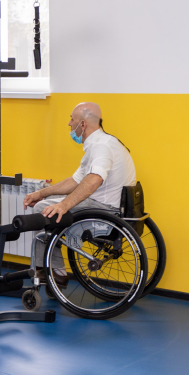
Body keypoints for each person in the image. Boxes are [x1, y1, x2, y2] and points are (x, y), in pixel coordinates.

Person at [23, 102, 136, 285]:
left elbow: (93, 180)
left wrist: (63, 205)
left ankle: (54, 272)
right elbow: (75, 181)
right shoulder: (103, 142)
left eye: (72, 119)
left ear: (82, 124)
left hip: (104, 210)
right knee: (48, 202)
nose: (69, 123)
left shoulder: (101, 147)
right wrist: (42, 193)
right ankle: (52, 265)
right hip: (109, 206)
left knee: (43, 210)